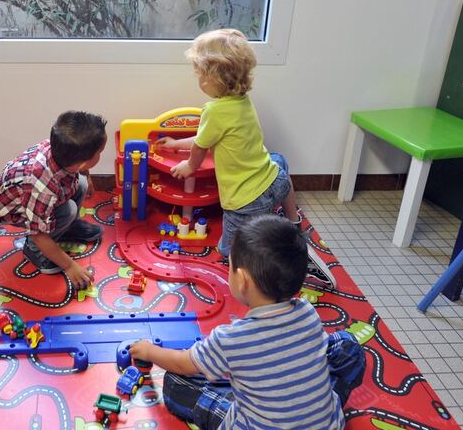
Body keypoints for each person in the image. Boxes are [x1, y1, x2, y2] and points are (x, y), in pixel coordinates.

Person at [129, 216, 365, 430]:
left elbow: (182, 365)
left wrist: (150, 351)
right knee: (348, 345)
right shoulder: (308, 312)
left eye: (229, 266)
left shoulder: (231, 339)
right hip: (326, 425)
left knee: (175, 383)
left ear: (242, 280)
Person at [157, 28, 336, 287]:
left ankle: (295, 262)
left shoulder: (214, 110)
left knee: (229, 252)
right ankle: (293, 222)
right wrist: (176, 144)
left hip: (245, 200)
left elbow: (201, 146)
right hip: (274, 179)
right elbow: (206, 136)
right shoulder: (241, 99)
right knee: (279, 162)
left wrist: (189, 165)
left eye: (200, 74)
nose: (198, 79)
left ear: (214, 78)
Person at [0, 111, 107, 288]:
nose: (101, 155)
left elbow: (79, 167)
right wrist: (69, 266)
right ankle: (33, 251)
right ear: (83, 162)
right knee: (68, 210)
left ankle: (67, 228)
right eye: (99, 153)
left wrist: (87, 176)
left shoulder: (63, 150)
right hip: (18, 209)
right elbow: (38, 233)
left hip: (41, 195)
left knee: (80, 184)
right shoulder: (41, 185)